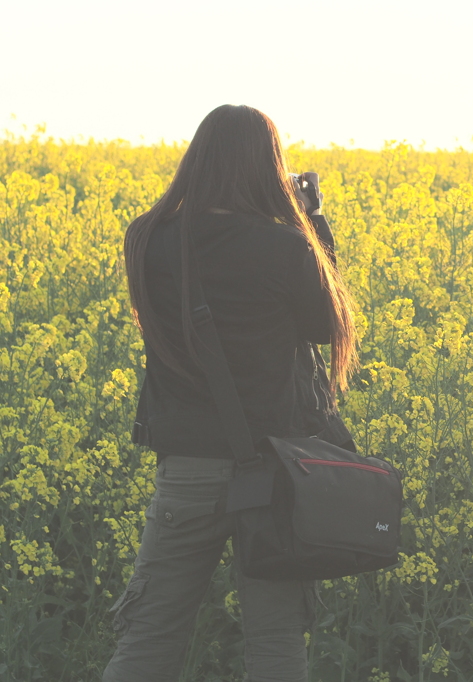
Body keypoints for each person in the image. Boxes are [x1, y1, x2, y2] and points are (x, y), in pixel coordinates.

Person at [104, 104, 359, 682]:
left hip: (187, 469)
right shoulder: (284, 248)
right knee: (275, 644)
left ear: (197, 160)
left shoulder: (146, 238)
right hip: (272, 471)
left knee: (149, 635)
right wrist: (310, 220)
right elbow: (326, 327)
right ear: (269, 169)